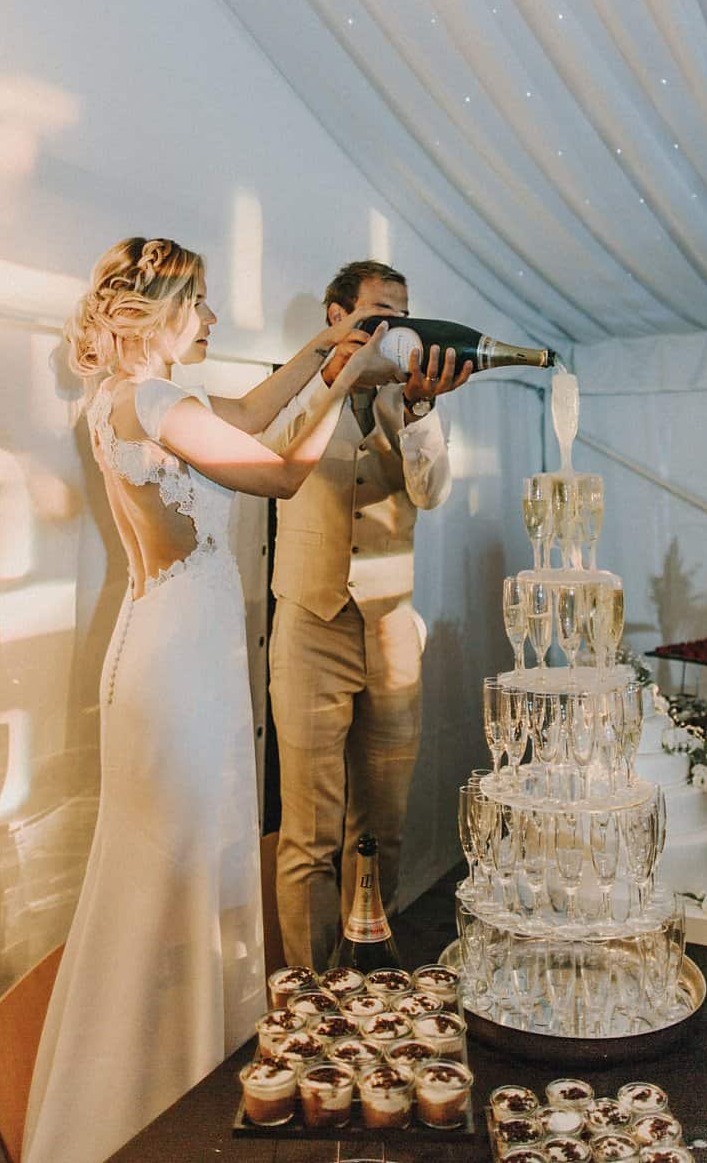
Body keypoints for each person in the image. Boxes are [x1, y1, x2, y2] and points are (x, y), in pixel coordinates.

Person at [22, 237, 387, 1163]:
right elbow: (277, 470)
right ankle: (166, 1103)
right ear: (165, 310)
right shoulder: (153, 400)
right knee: (183, 870)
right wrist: (346, 384)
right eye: (205, 305)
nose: (215, 321)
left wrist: (326, 346)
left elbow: (254, 409)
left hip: (160, 646)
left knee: (162, 871)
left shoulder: (128, 402)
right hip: (178, 665)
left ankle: (161, 1089)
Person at [263, 260, 473, 970]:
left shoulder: (411, 398)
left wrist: (419, 411)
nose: (393, 327)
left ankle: (370, 978)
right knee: (308, 834)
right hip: (309, 625)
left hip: (390, 630)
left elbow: (434, 490)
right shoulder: (293, 383)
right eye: (377, 313)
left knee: (381, 824)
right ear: (335, 315)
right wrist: (333, 377)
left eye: (400, 314)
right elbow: (272, 452)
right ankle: (310, 1000)